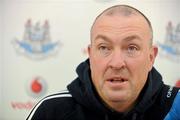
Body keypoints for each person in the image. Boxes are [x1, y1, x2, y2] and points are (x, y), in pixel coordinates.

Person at [27, 5, 180, 120]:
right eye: (104, 47)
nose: (117, 63)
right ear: (90, 55)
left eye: (132, 48)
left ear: (151, 58)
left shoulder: (176, 107)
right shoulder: (51, 112)